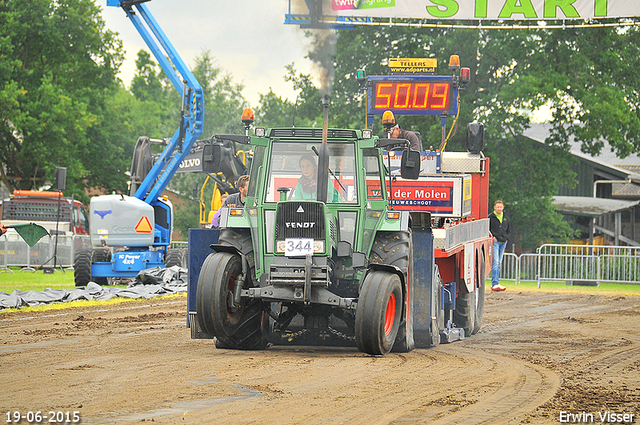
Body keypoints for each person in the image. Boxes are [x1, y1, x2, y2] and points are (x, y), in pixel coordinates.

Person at [489, 200, 511, 291]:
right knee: (496, 262)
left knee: (499, 263)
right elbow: (488, 228)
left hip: (503, 241)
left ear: (503, 208)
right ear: (494, 208)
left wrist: (507, 238)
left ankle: (497, 282)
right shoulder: (491, 217)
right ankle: (495, 283)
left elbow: (509, 228)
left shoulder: (505, 217)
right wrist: (492, 237)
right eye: (497, 207)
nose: (499, 209)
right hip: (495, 241)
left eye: (500, 207)